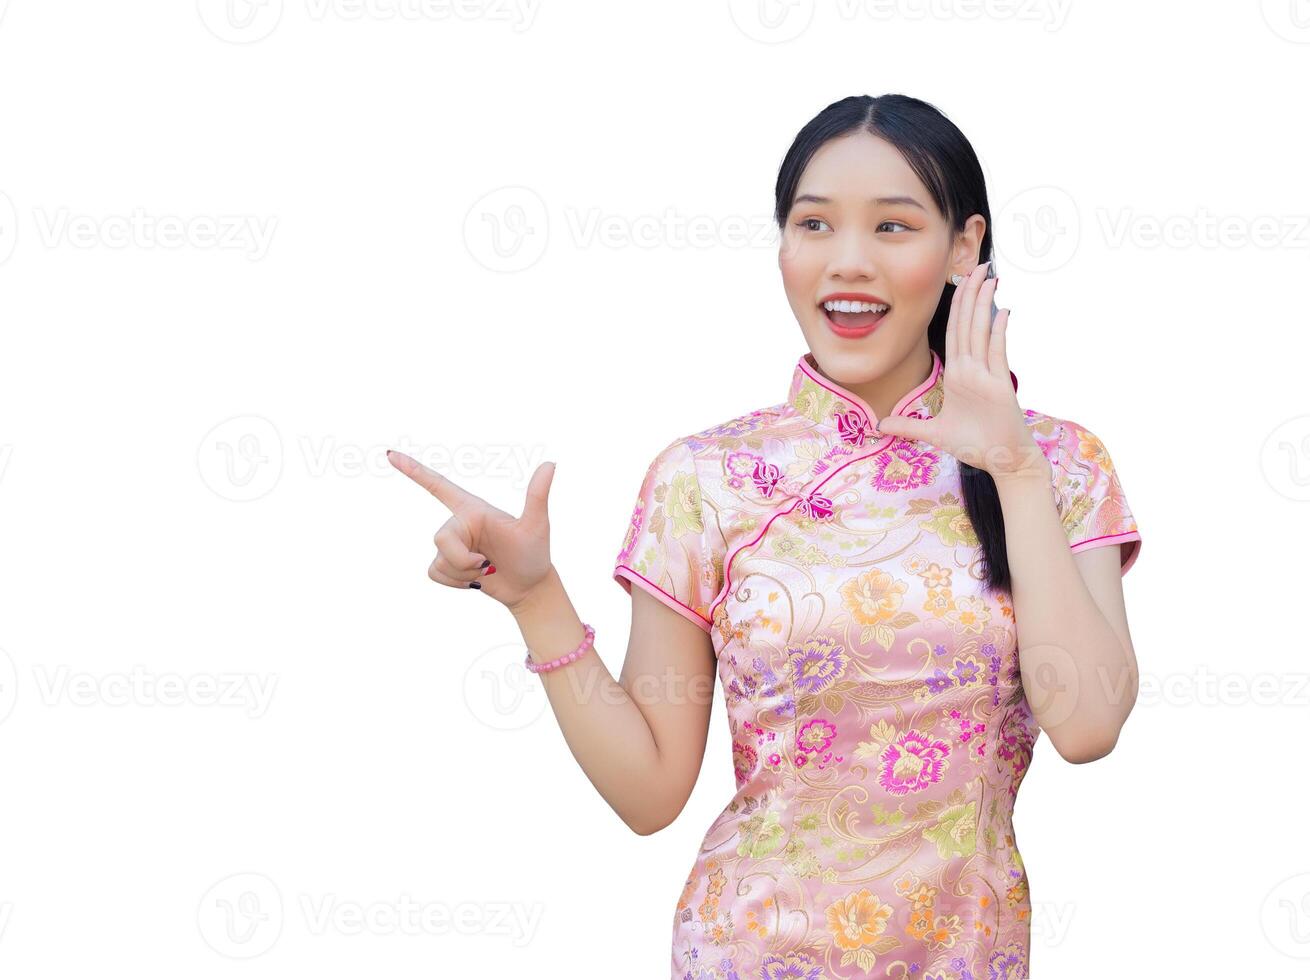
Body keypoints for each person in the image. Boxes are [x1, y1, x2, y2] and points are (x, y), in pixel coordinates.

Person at [389, 93, 1142, 980]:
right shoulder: (705, 478)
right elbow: (651, 790)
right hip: (747, 953)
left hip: (967, 957)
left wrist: (1012, 468)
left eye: (893, 227)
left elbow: (1088, 724)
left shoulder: (1061, 463)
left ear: (964, 249)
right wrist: (534, 599)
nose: (847, 262)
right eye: (813, 225)